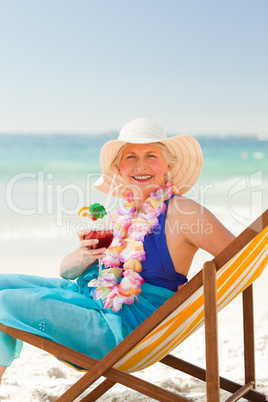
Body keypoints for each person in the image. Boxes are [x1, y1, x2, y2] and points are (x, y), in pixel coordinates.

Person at [0, 118, 234, 384]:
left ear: (168, 165)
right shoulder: (118, 215)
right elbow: (65, 272)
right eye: (131, 156)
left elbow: (237, 257)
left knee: (2, 302)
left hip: (122, 331)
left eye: (151, 155)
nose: (141, 165)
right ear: (118, 168)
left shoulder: (185, 211)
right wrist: (84, 255)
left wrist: (192, 299)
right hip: (90, 299)